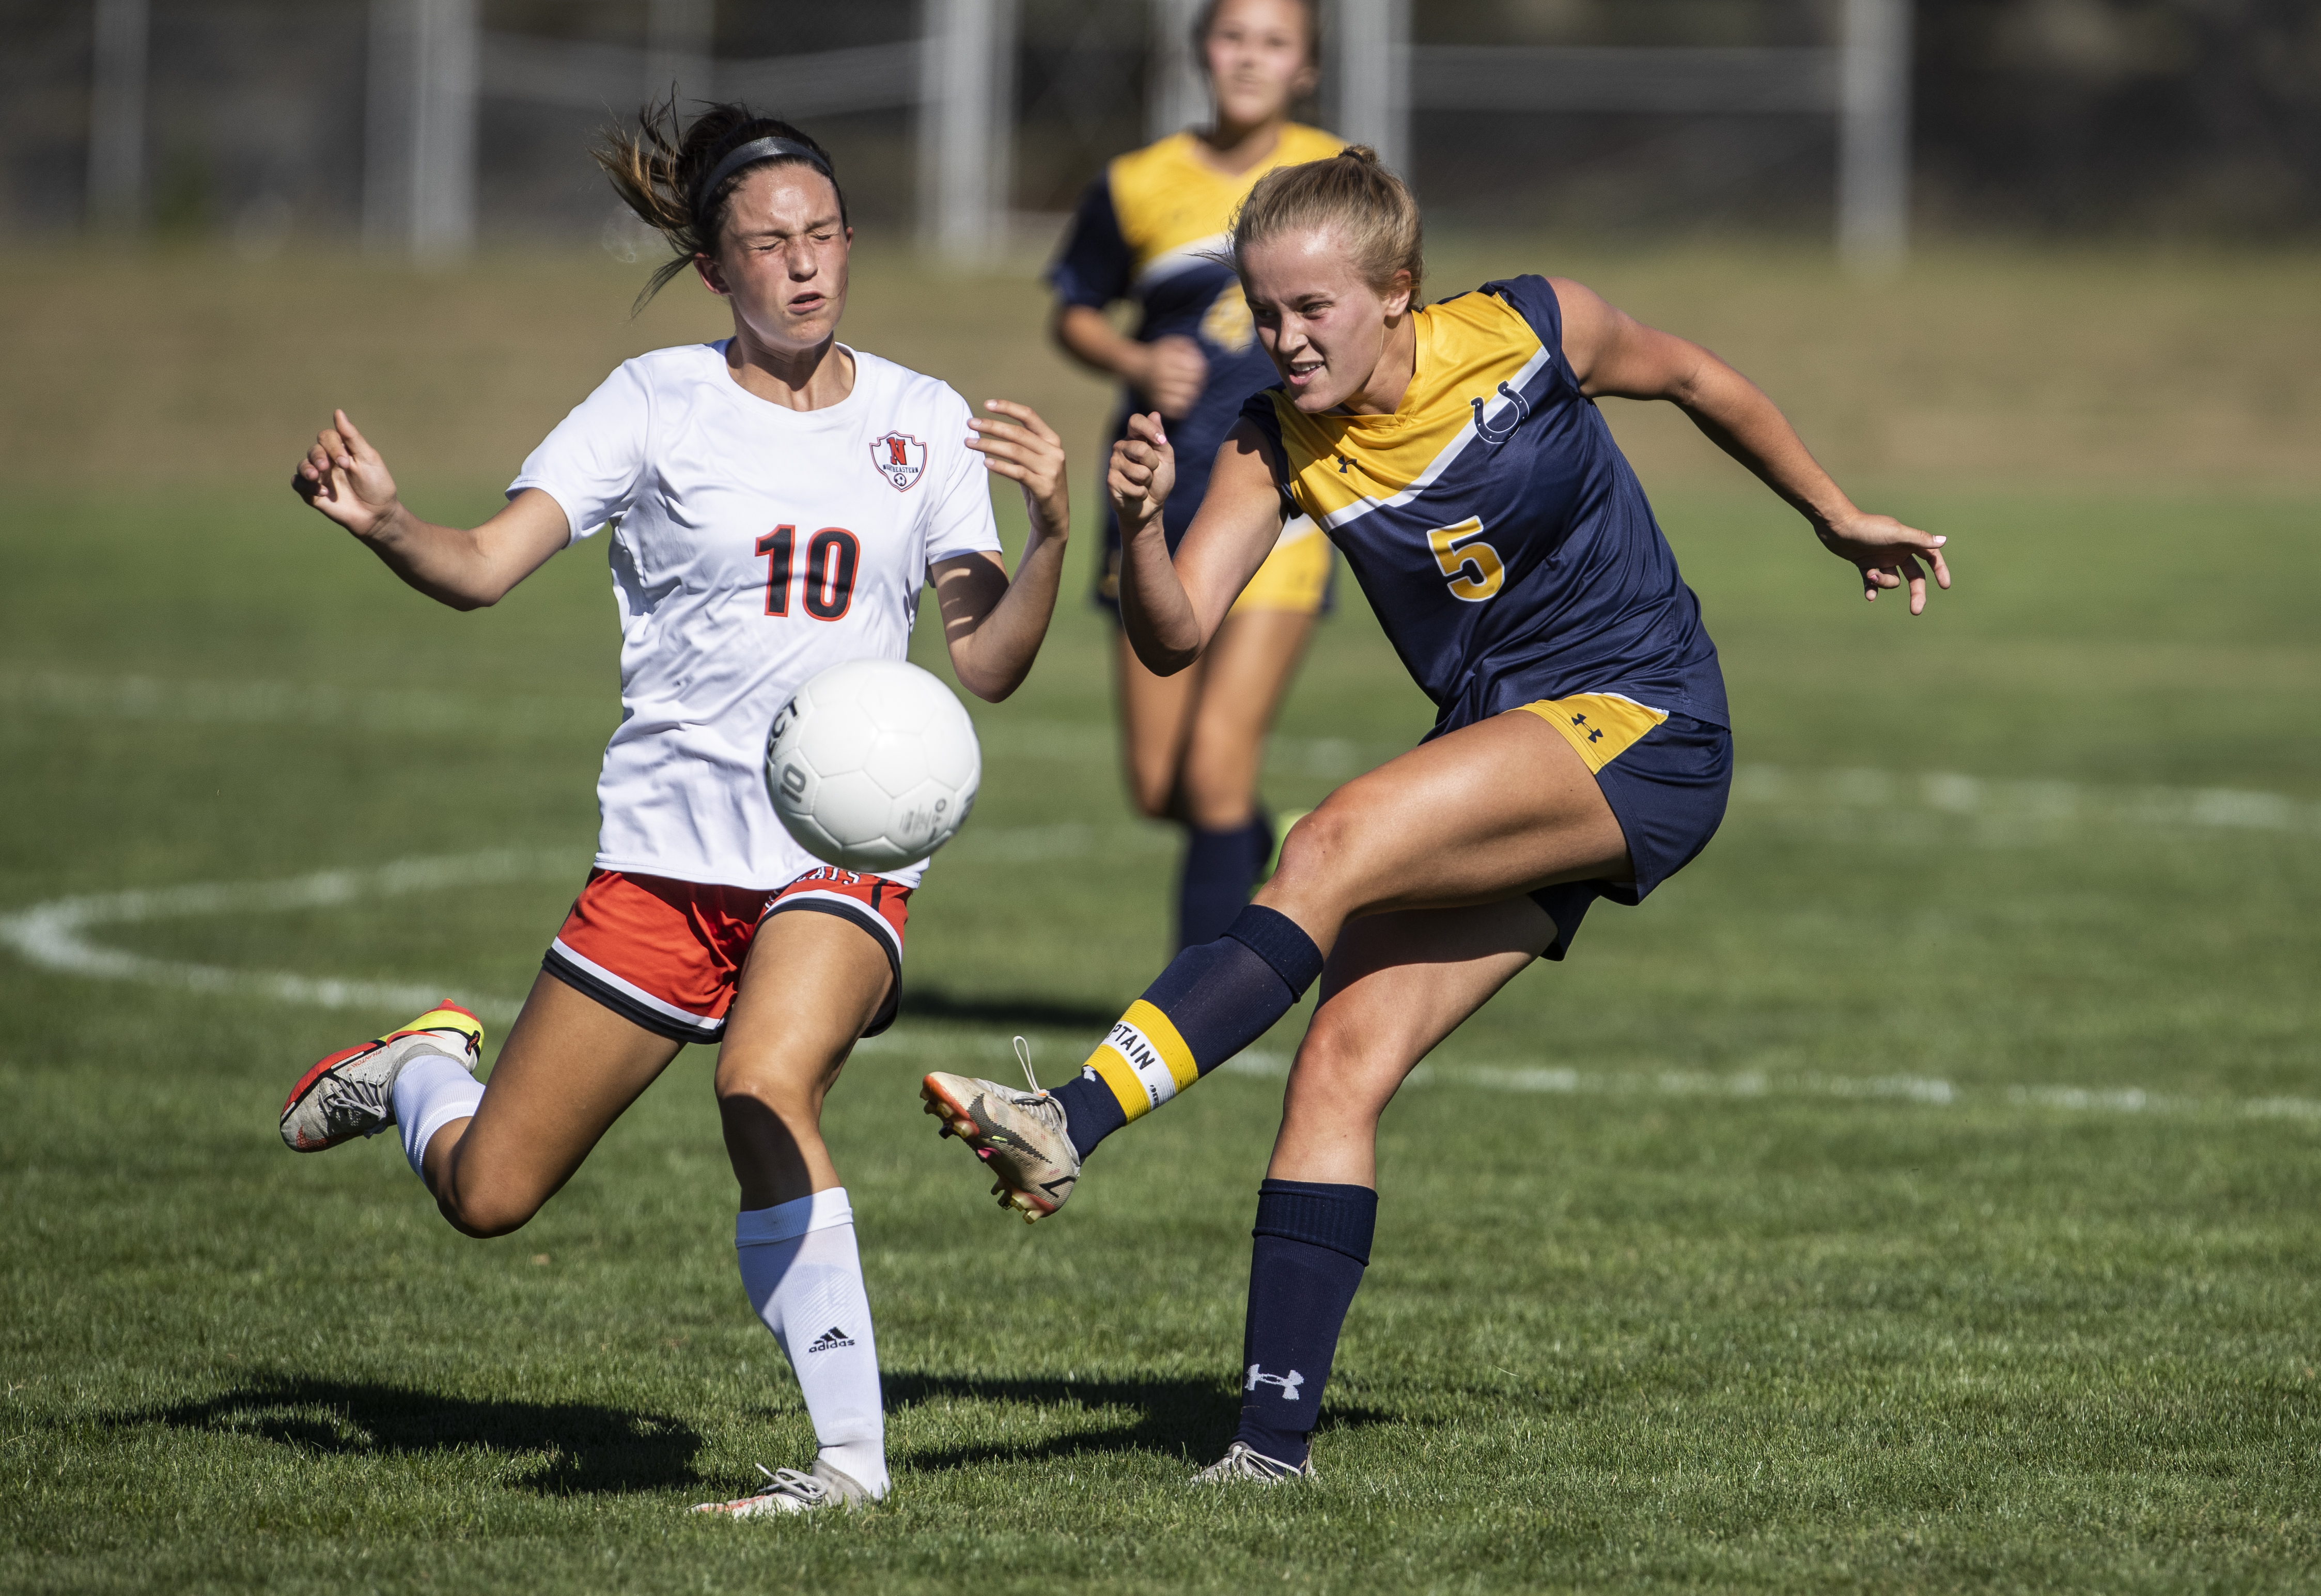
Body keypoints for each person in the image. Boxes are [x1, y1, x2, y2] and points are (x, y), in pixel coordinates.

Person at [922, 148, 1949, 1478]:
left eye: (1313, 312)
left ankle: (1069, 1119)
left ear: (1398, 291)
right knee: (1340, 1065)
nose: (1284, 343)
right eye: (1264, 314)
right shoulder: (1269, 437)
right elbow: (1174, 642)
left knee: (1329, 843)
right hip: (1514, 753)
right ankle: (1268, 1455)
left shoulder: (1533, 326)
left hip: (1649, 720)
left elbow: (1693, 377)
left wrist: (1837, 514)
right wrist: (1144, 528)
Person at [279, 102, 1071, 1515]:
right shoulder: (649, 402)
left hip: (844, 852)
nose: (806, 267)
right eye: (768, 245)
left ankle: (846, 1468)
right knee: (490, 1194)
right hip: (662, 862)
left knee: (763, 1081)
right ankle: (416, 1071)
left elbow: (988, 666)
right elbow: (478, 567)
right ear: (715, 269)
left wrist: (1066, 530)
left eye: (824, 234)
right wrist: (392, 522)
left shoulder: (923, 418)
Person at [1049, 0, 1342, 952]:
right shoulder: (1138, 183)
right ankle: (1252, 848)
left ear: (1305, 68)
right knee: (1159, 785)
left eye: (1274, 42)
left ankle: (1190, 1019)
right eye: (1232, 37)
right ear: (1199, 53)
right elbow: (1075, 308)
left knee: (1216, 766)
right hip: (1153, 500)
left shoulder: (1335, 177)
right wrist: (1133, 364)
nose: (1249, 58)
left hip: (1282, 500)